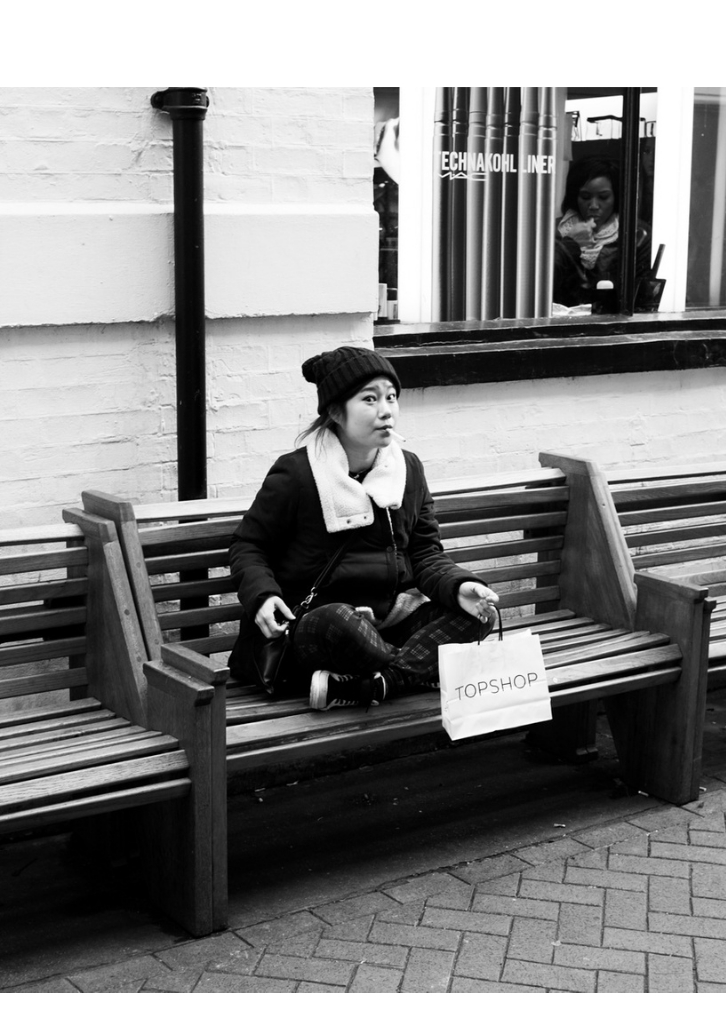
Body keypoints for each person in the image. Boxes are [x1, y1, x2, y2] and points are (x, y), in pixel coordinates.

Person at [228, 346, 500, 710]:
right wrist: (261, 596)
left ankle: (376, 684)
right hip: (319, 628)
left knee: (480, 613)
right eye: (369, 399)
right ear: (336, 411)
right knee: (341, 622)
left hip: (389, 622)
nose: (386, 410)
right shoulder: (297, 474)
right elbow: (249, 545)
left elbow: (424, 554)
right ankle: (413, 670)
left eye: (390, 397)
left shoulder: (408, 470)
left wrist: (460, 586)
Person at [552, 157, 652, 309]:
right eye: (585, 197)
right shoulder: (554, 232)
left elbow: (639, 297)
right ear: (575, 197)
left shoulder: (636, 234)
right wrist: (570, 244)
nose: (593, 205)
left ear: (616, 197)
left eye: (603, 197)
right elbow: (544, 286)